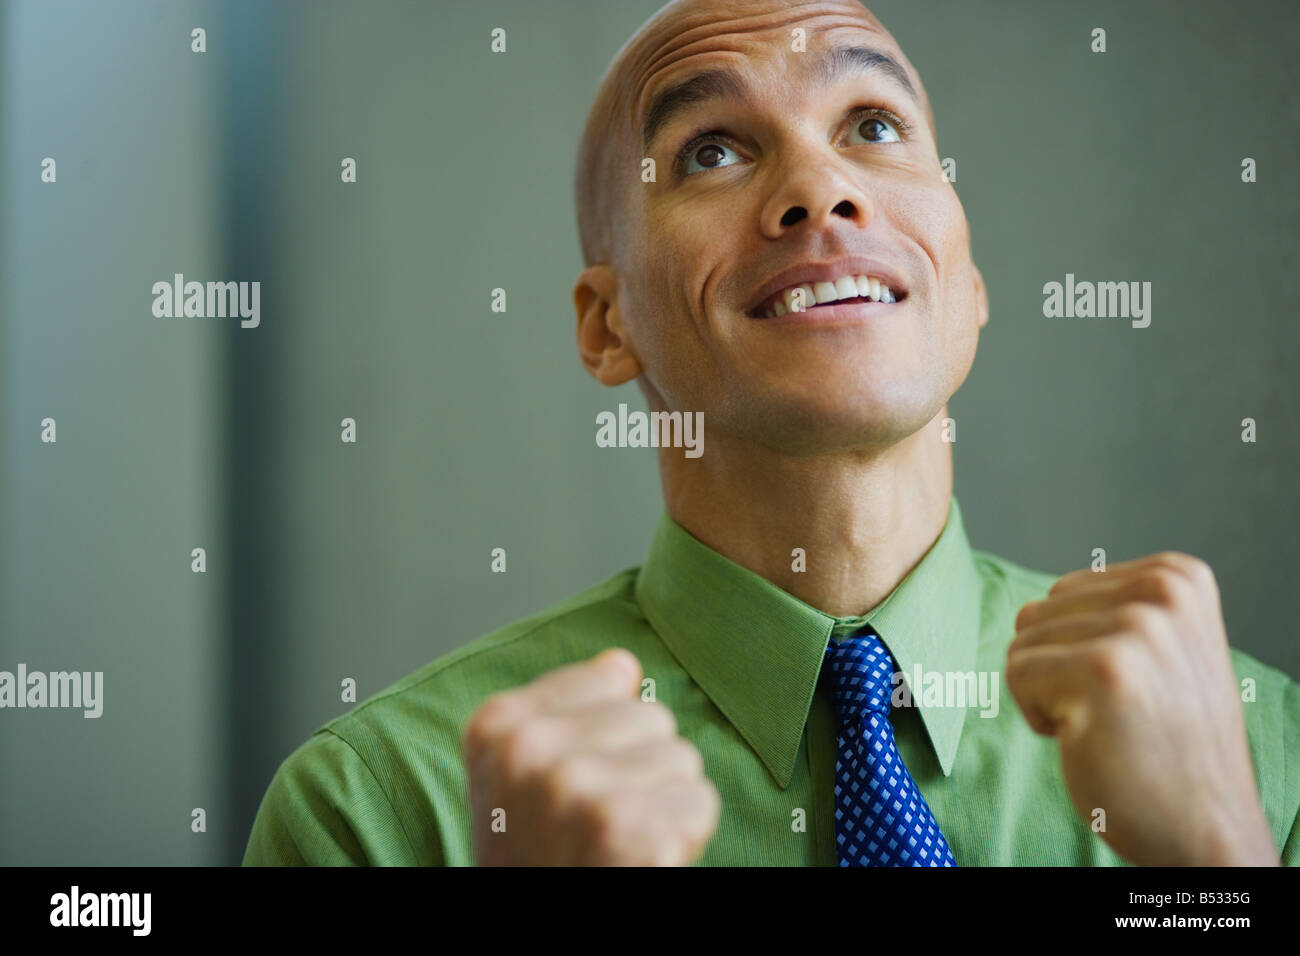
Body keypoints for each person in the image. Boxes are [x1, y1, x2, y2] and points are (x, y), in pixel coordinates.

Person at [243, 0, 1299, 866]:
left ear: (968, 282)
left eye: (872, 126)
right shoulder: (375, 813)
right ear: (606, 325)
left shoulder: (1263, 750)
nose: (820, 190)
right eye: (711, 151)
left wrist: (1219, 863)